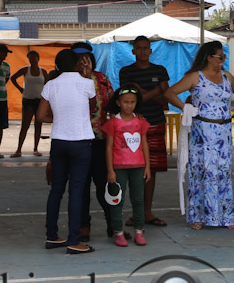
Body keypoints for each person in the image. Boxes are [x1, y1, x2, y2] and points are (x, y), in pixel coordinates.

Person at [164, 41, 234, 229]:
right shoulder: (195, 77)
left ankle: (225, 216)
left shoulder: (227, 76)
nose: (223, 59)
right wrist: (185, 107)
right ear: (209, 57)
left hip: (223, 132)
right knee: (202, 172)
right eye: (220, 56)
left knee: (223, 172)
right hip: (203, 132)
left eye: (224, 56)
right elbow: (170, 93)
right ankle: (198, 216)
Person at [37, 49, 96, 254]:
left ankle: (52, 236)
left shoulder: (50, 85)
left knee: (56, 190)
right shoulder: (86, 83)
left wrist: (57, 119)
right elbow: (93, 107)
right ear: (78, 64)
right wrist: (88, 76)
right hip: (81, 142)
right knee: (76, 191)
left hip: (59, 142)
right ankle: (74, 240)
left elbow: (40, 116)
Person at [118, 36, 170, 227]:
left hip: (155, 124)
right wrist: (156, 90)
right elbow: (131, 99)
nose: (142, 51)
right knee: (134, 170)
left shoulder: (160, 70)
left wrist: (143, 92)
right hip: (133, 127)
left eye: (145, 48)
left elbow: (165, 99)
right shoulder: (126, 72)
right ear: (133, 51)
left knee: (152, 170)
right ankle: (137, 212)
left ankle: (147, 212)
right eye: (138, 48)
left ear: (150, 50)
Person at [72, 41, 114, 241]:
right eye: (78, 58)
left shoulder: (102, 79)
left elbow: (112, 105)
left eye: (86, 57)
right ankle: (83, 226)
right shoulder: (68, 81)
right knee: (81, 186)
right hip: (77, 140)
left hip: (100, 140)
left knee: (104, 184)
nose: (83, 61)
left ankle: (113, 224)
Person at [103, 85, 151, 247]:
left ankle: (139, 231)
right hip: (119, 167)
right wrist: (110, 170)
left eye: (132, 102)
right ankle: (118, 232)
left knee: (138, 199)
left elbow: (144, 144)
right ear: (118, 102)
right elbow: (109, 147)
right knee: (117, 200)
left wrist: (147, 166)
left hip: (138, 166)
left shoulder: (140, 122)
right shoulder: (113, 123)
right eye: (125, 102)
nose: (129, 105)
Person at [10, 50, 48, 157]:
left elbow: (48, 84)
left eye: (34, 57)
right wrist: (20, 89)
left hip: (39, 101)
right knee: (25, 125)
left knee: (38, 125)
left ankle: (36, 149)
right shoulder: (25, 69)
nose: (32, 60)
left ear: (38, 58)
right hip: (28, 100)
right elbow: (13, 78)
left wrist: (46, 97)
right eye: (30, 58)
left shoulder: (43, 71)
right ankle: (18, 150)